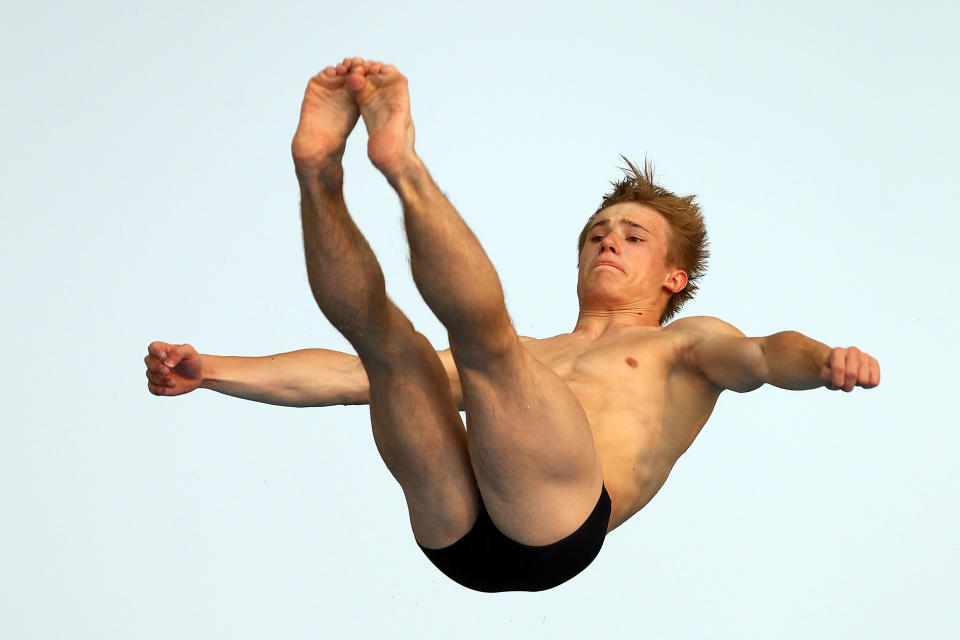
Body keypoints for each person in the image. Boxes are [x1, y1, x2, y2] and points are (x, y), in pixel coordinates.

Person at [144, 57, 881, 592]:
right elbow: (343, 380)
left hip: (557, 529)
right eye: (598, 230)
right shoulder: (537, 357)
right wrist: (210, 370)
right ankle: (318, 174)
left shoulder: (683, 345)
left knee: (486, 344)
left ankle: (403, 167)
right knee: (391, 351)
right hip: (456, 538)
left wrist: (823, 362)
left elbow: (760, 355)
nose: (608, 240)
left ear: (672, 277)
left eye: (632, 235)